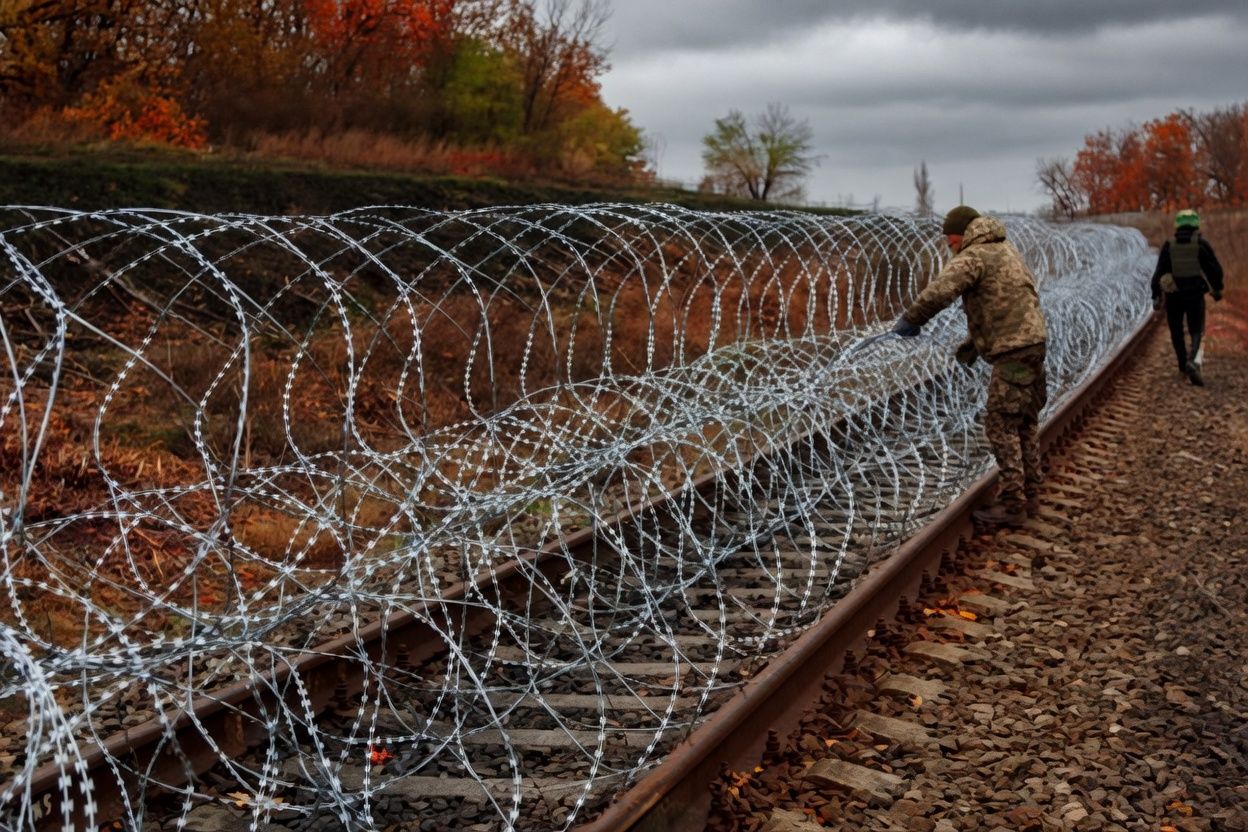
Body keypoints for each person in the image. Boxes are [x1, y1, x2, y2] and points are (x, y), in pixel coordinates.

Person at [892, 206, 1049, 528]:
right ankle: (1031, 495)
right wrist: (977, 343)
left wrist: (911, 319)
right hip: (1033, 345)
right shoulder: (1006, 250)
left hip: (1013, 353)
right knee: (1024, 422)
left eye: (949, 240)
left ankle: (1013, 505)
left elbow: (942, 290)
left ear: (960, 235)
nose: (949, 246)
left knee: (1000, 425)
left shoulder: (974, 255)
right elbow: (1004, 302)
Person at [1150, 209, 1224, 386]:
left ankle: (1183, 366)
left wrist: (1156, 296)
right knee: (1196, 329)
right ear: (1195, 225)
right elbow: (1214, 270)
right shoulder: (1201, 244)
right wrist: (1218, 289)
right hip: (1195, 294)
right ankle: (1193, 361)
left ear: (1177, 226)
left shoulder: (1169, 246)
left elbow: (1158, 273)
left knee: (1176, 331)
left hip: (1174, 296)